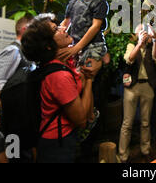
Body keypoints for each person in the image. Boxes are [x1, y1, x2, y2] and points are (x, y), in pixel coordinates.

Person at [21, 15, 101, 163]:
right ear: (49, 45)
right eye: (56, 29)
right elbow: (81, 120)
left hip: (58, 138)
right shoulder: (59, 76)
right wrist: (90, 79)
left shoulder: (56, 66)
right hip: (57, 143)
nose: (63, 28)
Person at [118, 23, 156, 163]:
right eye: (141, 31)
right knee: (127, 123)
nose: (144, 33)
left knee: (145, 122)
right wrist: (139, 44)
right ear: (136, 35)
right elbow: (129, 59)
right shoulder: (131, 46)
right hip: (131, 87)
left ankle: (145, 150)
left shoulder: (151, 47)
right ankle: (123, 154)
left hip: (147, 87)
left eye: (146, 31)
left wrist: (154, 40)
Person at [59, 0, 109, 69]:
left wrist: (77, 48)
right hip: (75, 45)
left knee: (85, 75)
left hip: (93, 46)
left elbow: (95, 27)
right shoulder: (73, 2)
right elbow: (65, 24)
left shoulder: (100, 3)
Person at [0, 15, 34, 112]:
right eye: (34, 28)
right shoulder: (12, 50)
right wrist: (8, 115)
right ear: (25, 29)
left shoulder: (25, 51)